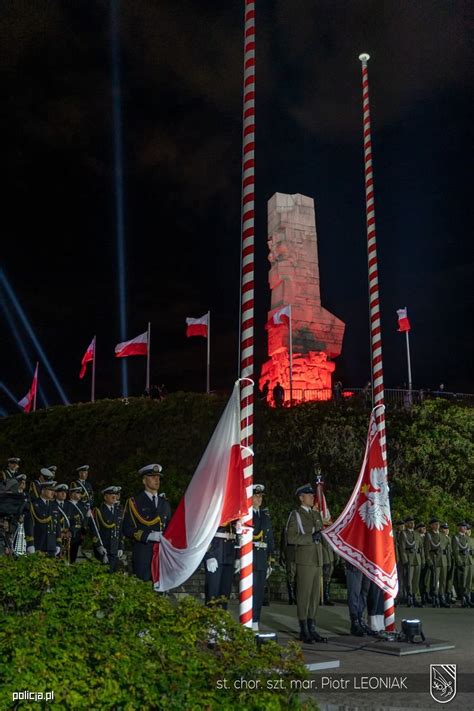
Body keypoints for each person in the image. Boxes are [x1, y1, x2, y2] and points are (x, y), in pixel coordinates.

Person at [286, 484, 327, 644]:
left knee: (315, 596)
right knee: (304, 595)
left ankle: (312, 627)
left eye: (312, 495)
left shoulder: (316, 515)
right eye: (309, 496)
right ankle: (303, 629)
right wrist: (311, 538)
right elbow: (291, 538)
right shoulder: (296, 515)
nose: (312, 498)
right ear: (301, 497)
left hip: (317, 559)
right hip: (304, 560)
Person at [123, 464, 171, 581]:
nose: (157, 480)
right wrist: (148, 536)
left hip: (161, 554)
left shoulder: (164, 503)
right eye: (153, 477)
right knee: (144, 590)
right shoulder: (135, 502)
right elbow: (127, 528)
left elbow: (169, 526)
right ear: (144, 480)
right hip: (143, 554)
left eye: (158, 477)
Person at [250, 485, 274, 631]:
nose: (259, 499)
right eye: (256, 496)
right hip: (250, 557)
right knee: (250, 591)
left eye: (261, 496)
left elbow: (269, 539)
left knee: (259, 592)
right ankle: (247, 619)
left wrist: (270, 560)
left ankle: (255, 621)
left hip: (262, 558)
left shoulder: (265, 516)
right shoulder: (246, 515)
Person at [204, 521, 238, 609]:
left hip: (230, 554)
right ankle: (211, 616)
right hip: (215, 555)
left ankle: (222, 616)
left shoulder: (234, 513)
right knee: (213, 589)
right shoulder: (214, 509)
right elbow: (204, 533)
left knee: (225, 589)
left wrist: (238, 557)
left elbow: (238, 534)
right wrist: (208, 556)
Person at [92, 486, 123, 572]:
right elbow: (94, 530)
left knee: (114, 576)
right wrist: (98, 545)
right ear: (105, 497)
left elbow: (120, 530)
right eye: (111, 494)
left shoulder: (118, 511)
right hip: (104, 548)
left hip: (115, 548)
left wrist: (120, 546)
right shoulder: (99, 511)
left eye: (115, 494)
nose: (114, 497)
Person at [27, 480, 63, 556]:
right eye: (50, 490)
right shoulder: (34, 504)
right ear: (43, 491)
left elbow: (57, 526)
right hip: (39, 544)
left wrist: (58, 543)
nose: (53, 492)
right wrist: (30, 544)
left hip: (52, 546)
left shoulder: (54, 505)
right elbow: (29, 525)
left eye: (53, 490)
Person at [400, 516, 423, 607]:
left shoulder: (417, 534)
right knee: (409, 579)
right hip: (409, 558)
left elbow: (421, 548)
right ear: (406, 524)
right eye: (410, 522)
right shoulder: (403, 533)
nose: (412, 524)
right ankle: (409, 596)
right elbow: (402, 548)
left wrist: (423, 559)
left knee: (416, 579)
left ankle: (414, 596)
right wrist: (405, 559)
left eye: (413, 522)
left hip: (417, 558)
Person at [67, 481, 91, 563]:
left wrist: (87, 517)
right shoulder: (67, 504)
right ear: (72, 494)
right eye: (77, 492)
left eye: (80, 493)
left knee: (74, 556)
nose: (80, 494)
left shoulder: (82, 505)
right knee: (67, 556)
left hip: (79, 534)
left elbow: (84, 521)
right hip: (69, 533)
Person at [452, 521, 472, 608]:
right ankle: (463, 599)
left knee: (468, 581)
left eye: (465, 527)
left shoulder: (467, 538)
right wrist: (459, 562)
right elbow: (455, 552)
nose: (465, 528)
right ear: (459, 527)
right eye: (464, 527)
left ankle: (468, 598)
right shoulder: (456, 537)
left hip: (469, 562)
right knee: (462, 582)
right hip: (462, 562)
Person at [424, 517, 442, 607]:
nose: (437, 526)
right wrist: (429, 560)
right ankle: (434, 597)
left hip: (441, 560)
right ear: (431, 526)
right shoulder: (429, 535)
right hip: (433, 559)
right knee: (433, 580)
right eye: (435, 524)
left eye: (438, 524)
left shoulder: (440, 535)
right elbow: (427, 549)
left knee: (440, 579)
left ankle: (439, 596)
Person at [52, 484, 72, 561]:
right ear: (56, 493)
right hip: (56, 536)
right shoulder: (52, 504)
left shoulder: (69, 505)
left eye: (65, 492)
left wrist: (71, 531)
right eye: (61, 492)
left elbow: (74, 521)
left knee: (67, 559)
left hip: (67, 537)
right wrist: (60, 533)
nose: (64, 494)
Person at [321, 522, 336, 606]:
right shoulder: (322, 531)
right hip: (325, 557)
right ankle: (324, 597)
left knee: (328, 578)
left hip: (330, 558)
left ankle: (326, 597)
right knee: (325, 577)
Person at [438, 522, 452, 608]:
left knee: (444, 580)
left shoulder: (449, 539)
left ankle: (443, 596)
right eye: (444, 528)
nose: (445, 530)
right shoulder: (438, 537)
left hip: (446, 560)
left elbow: (449, 552)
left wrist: (449, 562)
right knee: (436, 580)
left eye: (446, 529)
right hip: (438, 560)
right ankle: (437, 597)